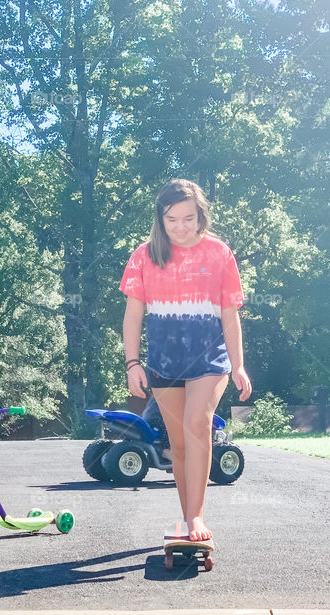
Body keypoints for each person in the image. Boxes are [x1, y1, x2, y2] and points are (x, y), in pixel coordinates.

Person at [119, 179, 252, 542]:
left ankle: (196, 518)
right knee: (177, 444)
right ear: (160, 219)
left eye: (188, 218)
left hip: (210, 358)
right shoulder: (144, 256)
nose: (180, 226)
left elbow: (229, 313)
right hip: (164, 362)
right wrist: (133, 364)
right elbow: (133, 316)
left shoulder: (218, 253)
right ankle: (187, 514)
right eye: (171, 219)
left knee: (197, 422)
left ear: (201, 215)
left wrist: (238, 364)